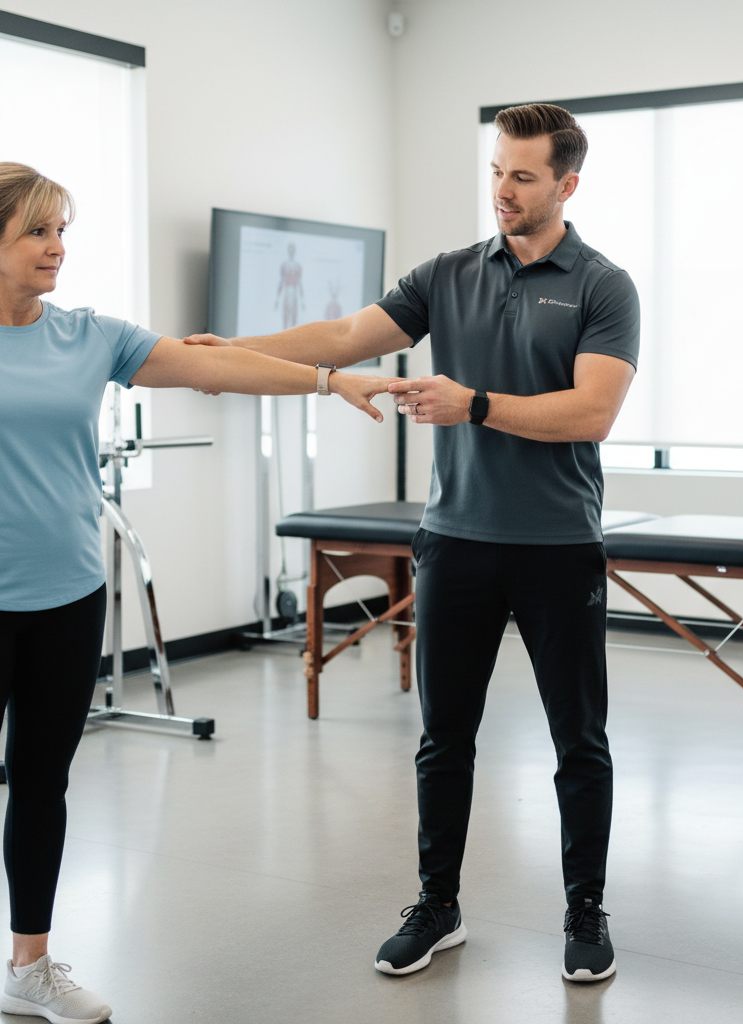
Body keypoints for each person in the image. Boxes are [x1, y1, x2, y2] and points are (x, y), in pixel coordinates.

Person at [186, 103, 640, 983]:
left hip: (557, 548)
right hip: (455, 543)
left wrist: (469, 402)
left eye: (523, 176)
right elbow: (343, 338)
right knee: (444, 738)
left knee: (579, 740)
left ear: (567, 184)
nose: (502, 191)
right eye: (497, 171)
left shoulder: (602, 285)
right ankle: (439, 904)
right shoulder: (448, 273)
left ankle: (585, 909)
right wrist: (229, 349)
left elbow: (593, 411)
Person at [0, 162, 395, 1024]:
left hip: (66, 591)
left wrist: (332, 381)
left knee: (41, 781)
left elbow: (213, 369)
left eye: (63, 230)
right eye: (38, 232)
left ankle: (28, 966)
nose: (58, 248)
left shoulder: (88, 335)